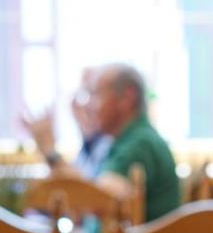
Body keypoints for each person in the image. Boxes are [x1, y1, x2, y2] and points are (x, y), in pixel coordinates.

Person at [25, 63, 181, 223]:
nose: (90, 105)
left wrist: (50, 152)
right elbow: (81, 208)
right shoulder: (121, 141)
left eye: (96, 95)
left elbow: (97, 200)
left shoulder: (140, 145)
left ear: (127, 97)